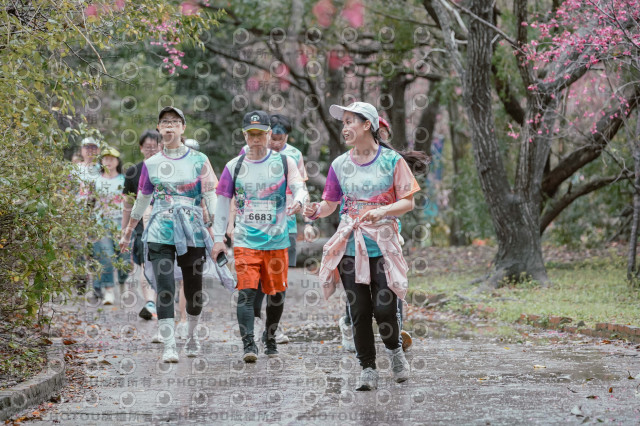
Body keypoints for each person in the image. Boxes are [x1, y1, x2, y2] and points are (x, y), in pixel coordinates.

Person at [304, 102, 427, 391]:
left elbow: (408, 202)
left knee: (384, 309)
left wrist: (383, 211)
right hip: (350, 247)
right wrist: (315, 210)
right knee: (358, 311)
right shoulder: (339, 164)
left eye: (350, 122)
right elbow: (330, 204)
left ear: (367, 125)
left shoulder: (392, 161)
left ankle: (395, 352)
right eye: (343, 123)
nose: (345, 128)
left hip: (383, 247)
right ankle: (367, 369)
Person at [119, 106, 219, 363]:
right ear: (159, 128)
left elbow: (211, 195)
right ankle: (169, 345)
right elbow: (142, 200)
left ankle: (192, 335)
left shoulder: (199, 160)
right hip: (159, 231)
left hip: (192, 231)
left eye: (175, 122)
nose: (170, 126)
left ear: (183, 128)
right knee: (164, 288)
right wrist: (128, 232)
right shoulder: (151, 164)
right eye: (165, 122)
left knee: (194, 291)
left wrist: (217, 234)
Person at [212, 110, 308, 362]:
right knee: (246, 293)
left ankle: (270, 336)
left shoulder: (284, 162)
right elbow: (222, 203)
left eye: (261, 134)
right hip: (246, 241)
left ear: (268, 134)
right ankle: (248, 345)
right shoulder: (234, 166)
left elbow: (300, 187)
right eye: (251, 134)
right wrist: (218, 238)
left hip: (277, 240)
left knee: (276, 295)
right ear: (244, 135)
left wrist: (299, 201)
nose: (256, 139)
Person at [337, 116, 413, 353]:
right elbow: (337, 203)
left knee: (388, 294)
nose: (383, 136)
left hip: (385, 240)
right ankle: (350, 324)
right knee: (360, 303)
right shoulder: (344, 165)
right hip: (354, 241)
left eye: (385, 133)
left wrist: (387, 218)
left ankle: (395, 335)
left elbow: (404, 202)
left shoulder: (391, 161)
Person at [236, 114, 310, 345]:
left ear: (286, 137)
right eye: (273, 139)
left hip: (285, 225)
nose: (276, 143)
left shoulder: (293, 156)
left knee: (277, 281)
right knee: (253, 281)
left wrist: (307, 220)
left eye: (281, 139)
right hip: (252, 229)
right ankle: (257, 321)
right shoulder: (245, 153)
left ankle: (273, 327)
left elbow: (301, 188)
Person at [122, 130, 161, 321]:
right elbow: (128, 204)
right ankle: (150, 302)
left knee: (162, 263)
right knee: (146, 261)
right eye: (148, 147)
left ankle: (160, 300)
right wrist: (125, 230)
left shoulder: (168, 169)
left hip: (165, 222)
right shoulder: (133, 172)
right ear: (141, 148)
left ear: (161, 147)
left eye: (155, 147)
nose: (151, 150)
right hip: (140, 224)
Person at [92, 146, 128, 305]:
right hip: (102, 223)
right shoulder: (96, 181)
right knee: (105, 257)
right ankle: (109, 291)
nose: (109, 162)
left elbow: (130, 202)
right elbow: (90, 202)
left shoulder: (124, 180)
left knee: (124, 258)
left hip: (121, 223)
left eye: (112, 159)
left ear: (117, 161)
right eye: (106, 159)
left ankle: (123, 282)